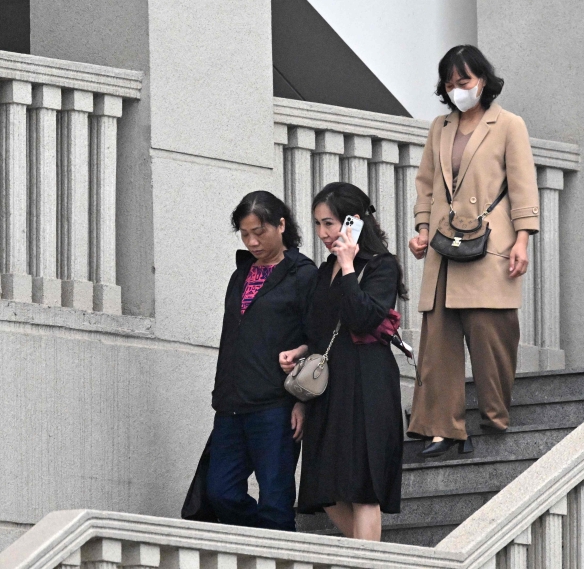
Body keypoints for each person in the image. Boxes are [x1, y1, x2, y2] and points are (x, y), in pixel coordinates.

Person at [406, 45, 540, 457]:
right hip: (445, 248)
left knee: (491, 335)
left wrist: (522, 239)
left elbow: (522, 184)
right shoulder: (439, 127)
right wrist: (422, 229)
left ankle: (494, 415)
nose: (457, 89)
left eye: (463, 81)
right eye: (450, 83)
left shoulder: (508, 124)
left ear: (482, 79)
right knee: (439, 341)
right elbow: (426, 184)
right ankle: (442, 428)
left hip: (490, 245)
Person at [279, 182, 407, 541]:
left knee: (363, 488)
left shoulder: (382, 267)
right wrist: (300, 356)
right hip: (329, 386)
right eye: (318, 224)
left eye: (330, 223)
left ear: (354, 222)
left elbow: (362, 318)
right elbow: (318, 330)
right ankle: (372, 560)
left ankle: (367, 562)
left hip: (368, 384)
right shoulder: (324, 271)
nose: (322, 233)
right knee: (326, 488)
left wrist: (349, 266)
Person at [208, 191, 317, 531]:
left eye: (260, 232)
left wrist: (303, 403)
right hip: (232, 403)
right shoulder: (240, 274)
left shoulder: (303, 274)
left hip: (277, 404)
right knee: (219, 492)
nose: (252, 241)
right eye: (244, 233)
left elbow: (321, 337)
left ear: (281, 225)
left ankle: (280, 550)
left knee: (275, 497)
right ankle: (267, 539)